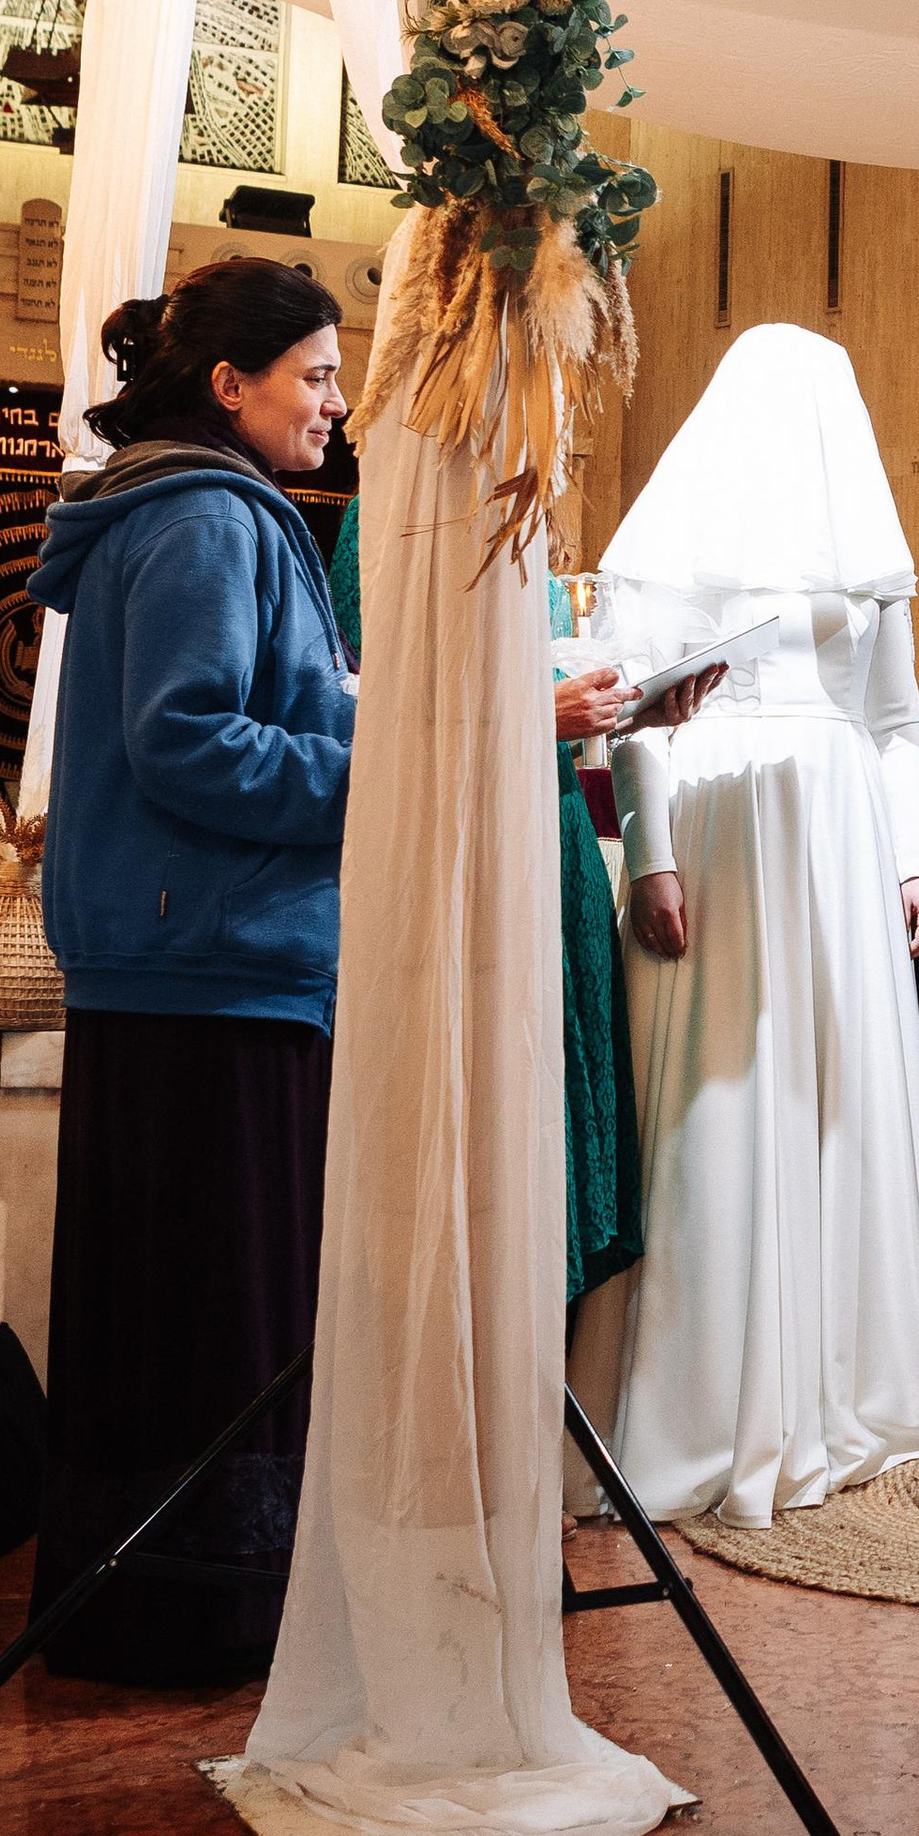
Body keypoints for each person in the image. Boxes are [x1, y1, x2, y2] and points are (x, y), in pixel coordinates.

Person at [579, 325, 919, 1525]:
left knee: (840, 1094)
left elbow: (897, 720)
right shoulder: (672, 537)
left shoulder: (858, 555)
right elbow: (635, 716)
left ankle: (852, 1383)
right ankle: (708, 1399)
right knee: (720, 1094)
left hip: (840, 837)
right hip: (719, 823)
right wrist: (649, 857)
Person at [27, 261, 358, 1684]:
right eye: (318, 376)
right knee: (215, 1326)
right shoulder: (213, 520)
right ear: (231, 384)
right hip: (207, 968)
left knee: (167, 1320)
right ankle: (194, 1617)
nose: (340, 405)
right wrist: (376, 770)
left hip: (188, 963)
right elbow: (189, 738)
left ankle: (154, 1606)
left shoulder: (194, 509)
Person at [328, 495, 666, 1309]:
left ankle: (543, 1341)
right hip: (461, 833)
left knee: (563, 1070)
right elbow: (374, 697)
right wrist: (537, 711)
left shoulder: (529, 510)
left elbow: (554, 672)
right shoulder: (390, 506)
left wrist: (637, 700)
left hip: (550, 829)